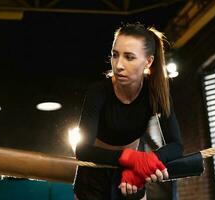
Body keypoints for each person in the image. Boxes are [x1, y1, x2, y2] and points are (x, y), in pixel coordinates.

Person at [73, 22, 183, 200]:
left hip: (133, 173)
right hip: (94, 174)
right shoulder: (98, 91)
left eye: (129, 57)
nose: (118, 65)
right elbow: (82, 150)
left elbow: (176, 145)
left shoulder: (156, 93)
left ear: (148, 61)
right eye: (115, 55)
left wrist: (148, 161)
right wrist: (130, 158)